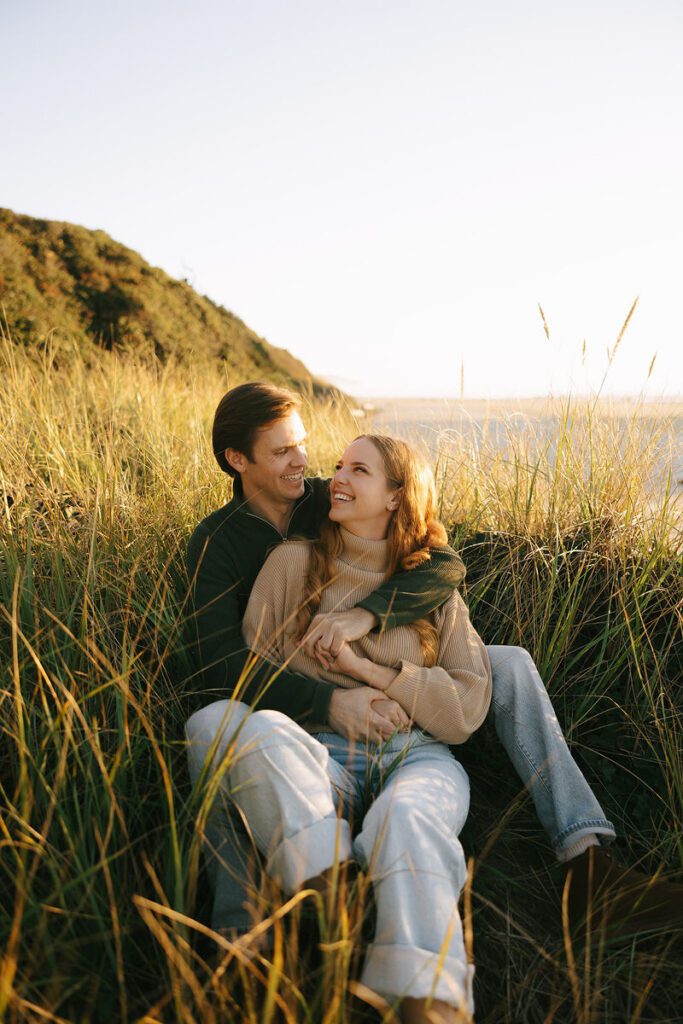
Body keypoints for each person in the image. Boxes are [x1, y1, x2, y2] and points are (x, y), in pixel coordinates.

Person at [184, 382, 683, 953]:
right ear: (237, 460)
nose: (303, 461)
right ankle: (246, 920)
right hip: (305, 692)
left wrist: (367, 617)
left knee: (511, 666)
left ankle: (587, 864)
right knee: (217, 728)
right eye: (281, 452)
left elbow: (441, 562)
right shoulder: (219, 542)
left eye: (301, 445)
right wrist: (330, 703)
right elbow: (223, 668)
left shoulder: (325, 495)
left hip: (383, 657)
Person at [191, 434, 491, 1020]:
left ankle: (429, 997)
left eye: (359, 470)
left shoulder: (435, 589)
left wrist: (368, 670)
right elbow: (258, 681)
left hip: (418, 756)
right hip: (319, 758)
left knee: (408, 819)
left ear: (398, 497)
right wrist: (337, 701)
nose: (337, 478)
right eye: (338, 466)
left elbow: (465, 710)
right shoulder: (291, 564)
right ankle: (332, 888)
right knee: (213, 723)